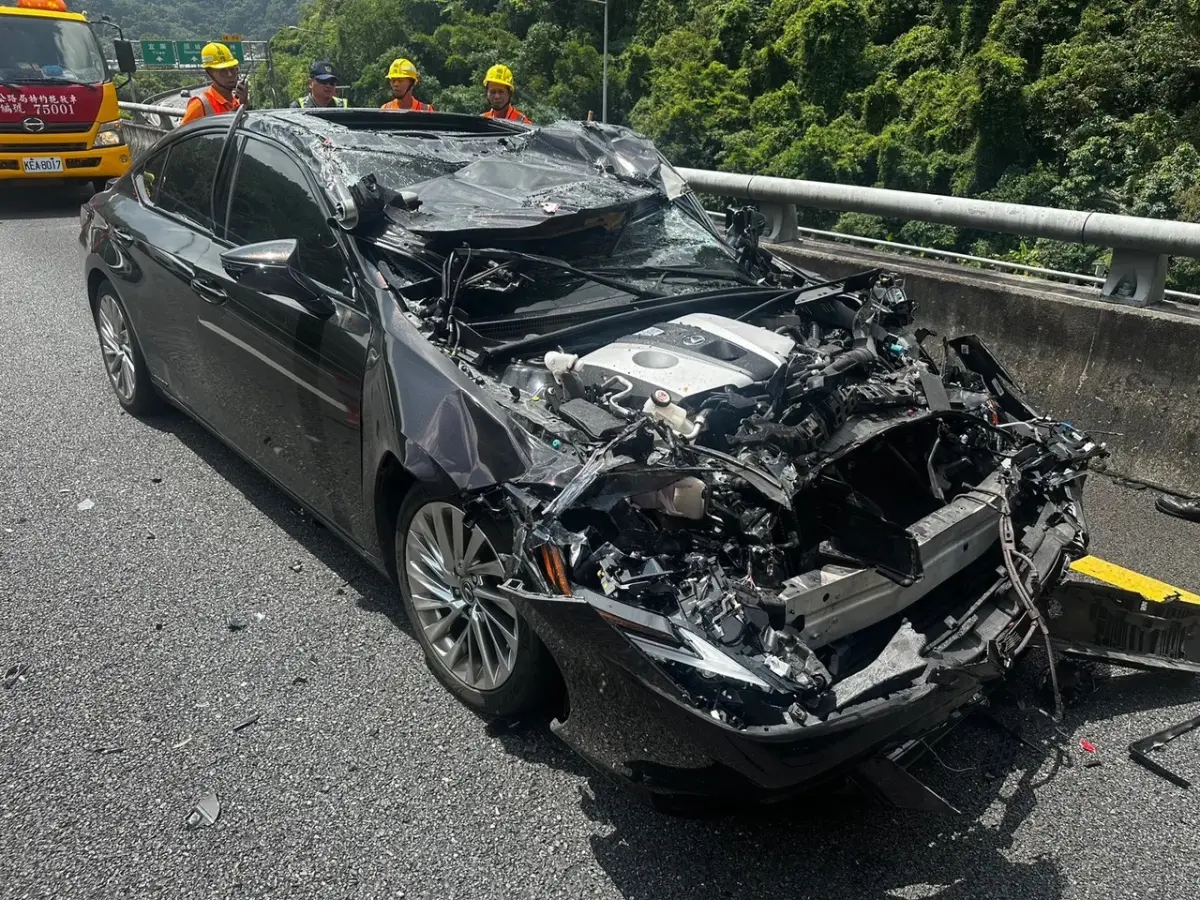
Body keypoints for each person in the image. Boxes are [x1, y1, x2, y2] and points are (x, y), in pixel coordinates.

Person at [180, 43, 248, 126]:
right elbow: (182, 133)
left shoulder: (237, 102)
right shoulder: (200, 105)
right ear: (210, 73)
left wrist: (244, 104)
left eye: (232, 69)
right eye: (223, 71)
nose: (230, 74)